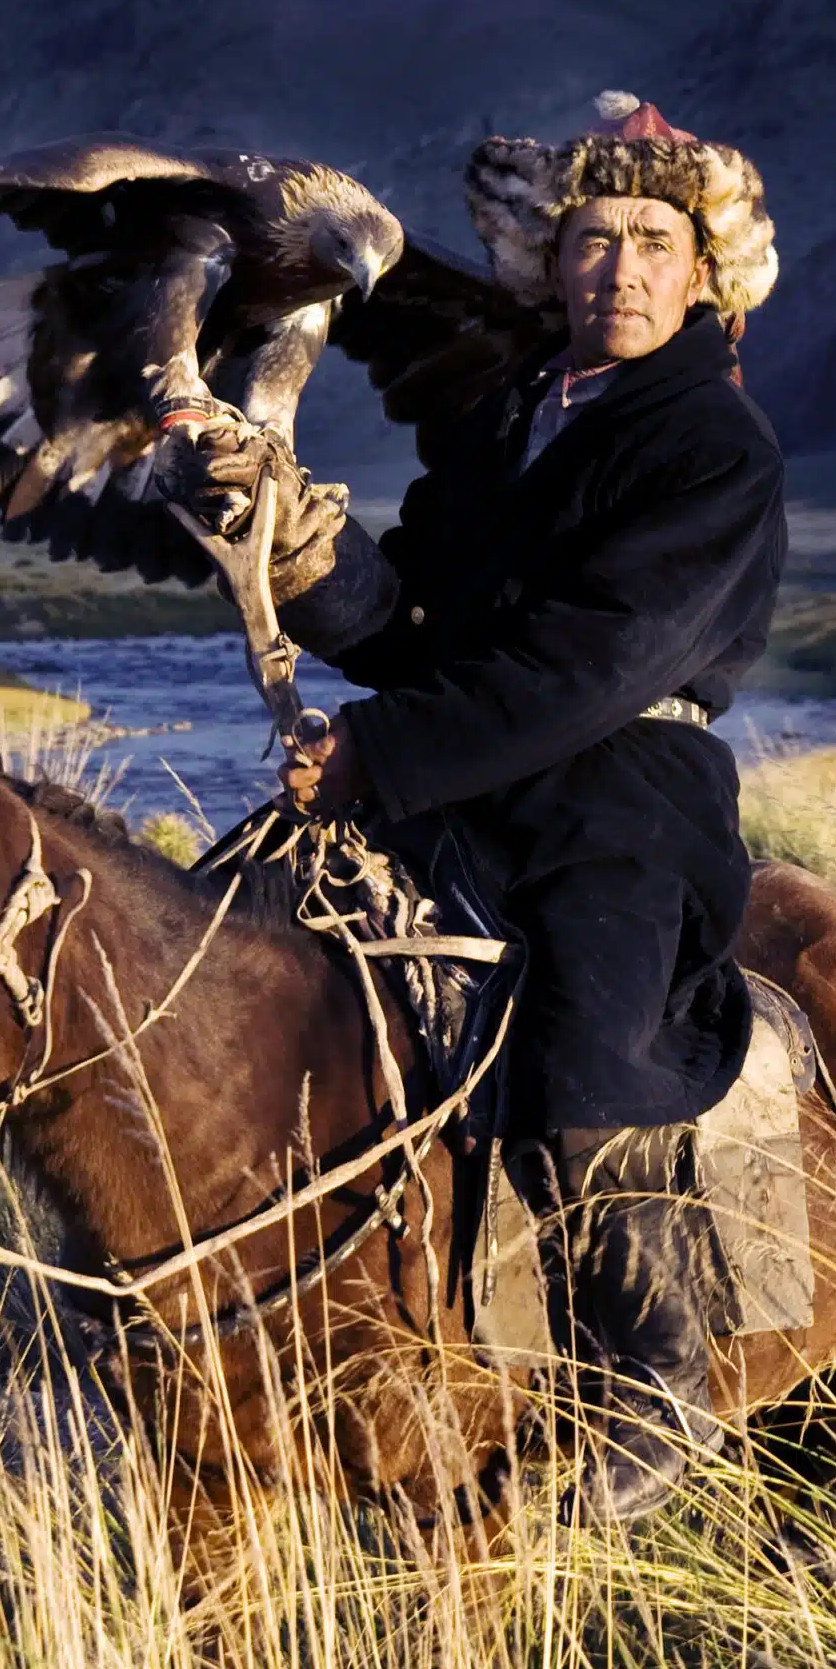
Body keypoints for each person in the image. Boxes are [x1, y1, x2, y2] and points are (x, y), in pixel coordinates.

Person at [261, 93, 787, 1517]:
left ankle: (653, 1375)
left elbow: (597, 662)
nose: (618, 266)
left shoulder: (714, 451)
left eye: (652, 241)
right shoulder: (510, 426)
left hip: (625, 790)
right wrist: (300, 553)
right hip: (470, 763)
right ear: (552, 263)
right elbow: (420, 624)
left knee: (590, 1038)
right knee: (250, 924)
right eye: (593, 238)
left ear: (702, 273)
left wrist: (381, 754)